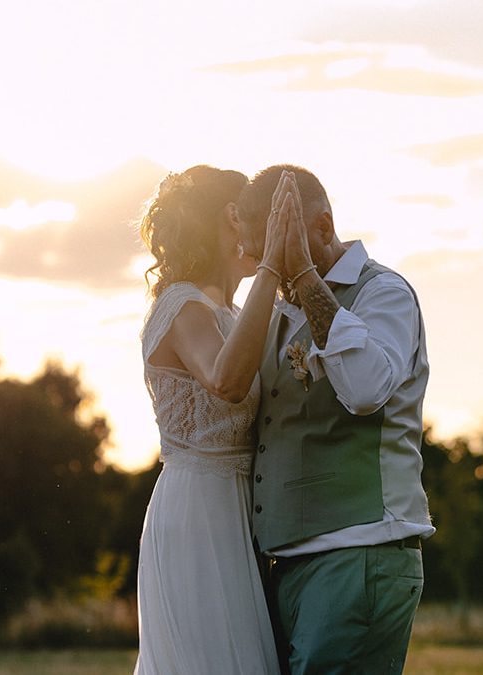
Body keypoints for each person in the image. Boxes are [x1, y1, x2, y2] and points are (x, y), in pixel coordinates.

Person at [237, 165, 435, 674]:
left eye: (285, 252)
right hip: (286, 565)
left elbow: (367, 390)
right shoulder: (278, 308)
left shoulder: (385, 293)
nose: (276, 272)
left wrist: (304, 275)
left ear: (323, 228)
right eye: (267, 257)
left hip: (360, 553)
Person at [133, 165, 301, 675]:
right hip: (197, 511)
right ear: (234, 217)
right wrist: (271, 266)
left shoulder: (232, 310)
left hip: (241, 512)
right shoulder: (182, 304)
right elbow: (225, 381)